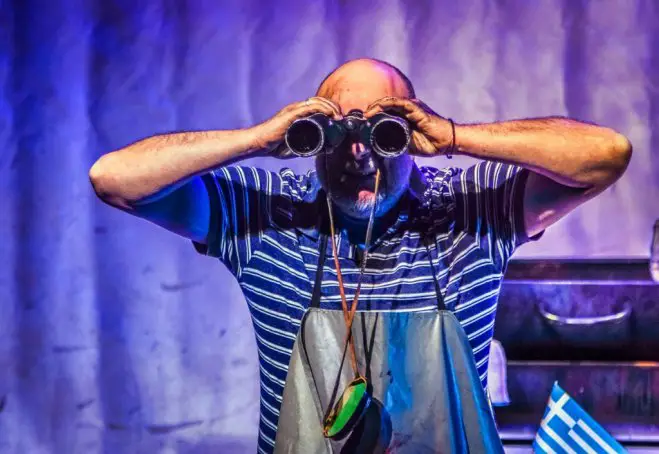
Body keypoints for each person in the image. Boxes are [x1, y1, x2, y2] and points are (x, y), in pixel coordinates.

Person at [89, 58, 632, 453]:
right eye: (338, 131)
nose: (359, 151)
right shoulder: (270, 217)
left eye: (382, 130)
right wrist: (256, 140)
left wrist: (452, 136)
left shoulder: (468, 213)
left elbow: (606, 155)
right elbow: (114, 179)